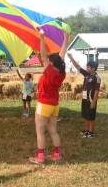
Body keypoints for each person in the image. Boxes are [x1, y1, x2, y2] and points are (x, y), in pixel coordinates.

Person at [29, 28, 68, 164]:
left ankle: (40, 158)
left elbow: (44, 56)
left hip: (44, 104)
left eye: (49, 61)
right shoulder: (61, 72)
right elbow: (62, 54)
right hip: (54, 105)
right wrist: (65, 38)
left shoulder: (50, 70)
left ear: (51, 63)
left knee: (40, 132)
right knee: (53, 131)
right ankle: (57, 155)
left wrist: (42, 37)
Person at [68, 53, 100, 138]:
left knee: (91, 116)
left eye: (88, 67)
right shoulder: (87, 74)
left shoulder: (97, 77)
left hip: (91, 100)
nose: (87, 68)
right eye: (87, 67)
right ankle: (87, 130)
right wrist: (71, 57)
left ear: (93, 68)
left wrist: (94, 101)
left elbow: (97, 91)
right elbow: (78, 67)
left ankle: (91, 132)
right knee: (86, 115)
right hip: (85, 99)